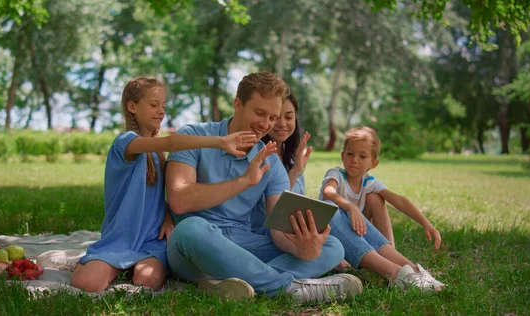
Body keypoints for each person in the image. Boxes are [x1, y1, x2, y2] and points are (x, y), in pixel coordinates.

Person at [165, 72, 363, 303]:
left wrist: (303, 249)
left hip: (243, 243)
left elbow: (278, 231)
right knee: (191, 228)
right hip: (195, 248)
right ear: (238, 104)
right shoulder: (193, 137)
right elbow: (179, 200)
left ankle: (229, 283)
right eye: (259, 113)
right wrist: (243, 181)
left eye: (272, 117)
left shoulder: (271, 162)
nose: (265, 124)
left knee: (332, 246)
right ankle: (289, 288)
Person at [71, 77, 258, 292]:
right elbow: (170, 142)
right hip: (120, 238)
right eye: (153, 105)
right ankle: (90, 264)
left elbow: (162, 196)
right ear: (132, 107)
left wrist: (168, 219)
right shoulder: (125, 143)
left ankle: (132, 268)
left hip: (151, 241)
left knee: (147, 281)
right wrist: (220, 141)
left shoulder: (158, 155)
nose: (161, 111)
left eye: (163, 105)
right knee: (88, 284)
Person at [320, 126, 445, 292]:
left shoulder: (368, 182)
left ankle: (413, 270)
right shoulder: (336, 174)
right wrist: (350, 207)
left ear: (373, 163)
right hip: (331, 237)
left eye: (362, 156)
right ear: (343, 155)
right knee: (331, 208)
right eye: (350, 154)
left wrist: (426, 223)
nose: (354, 160)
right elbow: (328, 192)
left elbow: (398, 200)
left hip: (358, 236)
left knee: (376, 197)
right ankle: (395, 274)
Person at [250, 92, 311, 235]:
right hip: (268, 232)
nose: (282, 123)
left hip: (295, 227)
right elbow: (270, 210)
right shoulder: (257, 157)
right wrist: (295, 172)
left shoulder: (292, 158)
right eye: (276, 117)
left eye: (289, 117)